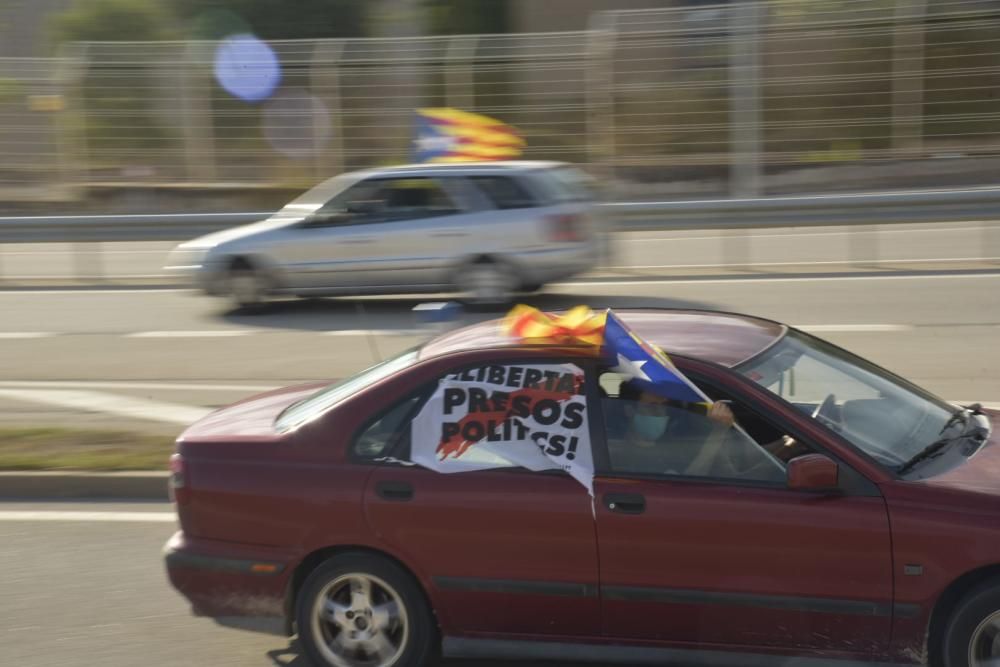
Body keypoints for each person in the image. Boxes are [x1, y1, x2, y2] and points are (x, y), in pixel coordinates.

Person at [611, 380, 798, 479]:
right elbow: (690, 481)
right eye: (652, 406)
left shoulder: (673, 437)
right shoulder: (625, 455)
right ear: (629, 410)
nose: (661, 413)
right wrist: (717, 432)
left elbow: (742, 460)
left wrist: (787, 444)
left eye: (664, 406)